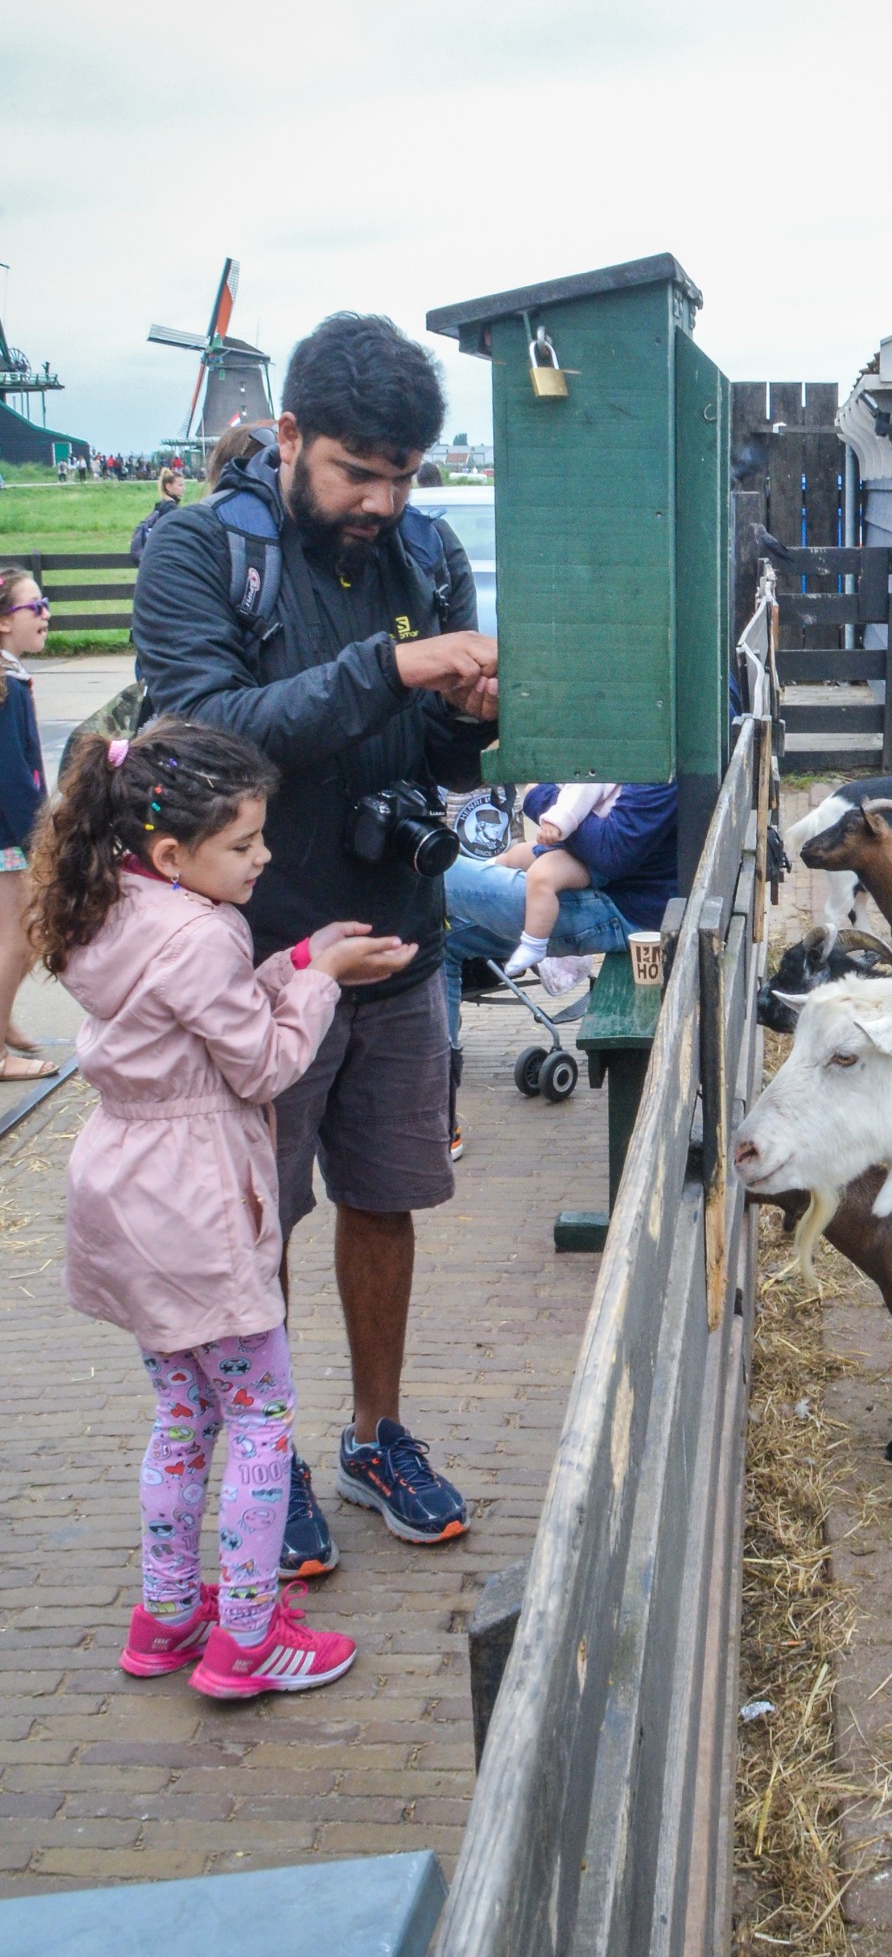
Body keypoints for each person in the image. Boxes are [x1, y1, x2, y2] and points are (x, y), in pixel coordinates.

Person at [132, 312, 497, 1575]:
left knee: (386, 1200)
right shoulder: (193, 552)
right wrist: (398, 667)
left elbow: (442, 756)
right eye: (357, 469)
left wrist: (469, 717)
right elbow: (207, 736)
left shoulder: (428, 552)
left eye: (404, 474)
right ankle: (264, 1451)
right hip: (257, 969)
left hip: (398, 948)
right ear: (288, 434)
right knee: (256, 1222)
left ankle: (374, 1429)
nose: (383, 501)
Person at [28, 719, 415, 1696]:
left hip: (126, 1193)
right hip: (195, 1198)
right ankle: (247, 1630)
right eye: (244, 842)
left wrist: (292, 962)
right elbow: (263, 1062)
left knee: (182, 1409)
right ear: (172, 852)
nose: (264, 855)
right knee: (260, 1416)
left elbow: (201, 1016)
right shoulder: (203, 931)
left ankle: (165, 1614)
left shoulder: (108, 907)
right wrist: (320, 982)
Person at [443, 778, 679, 1053]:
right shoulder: (630, 754)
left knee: (436, 874)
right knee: (437, 933)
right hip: (607, 885)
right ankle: (440, 1063)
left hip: (624, 911)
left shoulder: (657, 766)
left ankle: (534, 944)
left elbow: (611, 852)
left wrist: (538, 796)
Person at [0, 569, 55, 1079]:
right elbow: (15, 776)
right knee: (19, 937)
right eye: (33, 607)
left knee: (18, 934)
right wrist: (39, 840)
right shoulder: (7, 686)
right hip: (8, 835)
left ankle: (4, 1023)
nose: (45, 615)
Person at [496, 781, 620, 977]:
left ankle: (534, 944)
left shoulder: (600, 762)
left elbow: (582, 789)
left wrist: (555, 821)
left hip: (589, 855)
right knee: (515, 855)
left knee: (542, 877)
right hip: (573, 839)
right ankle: (485, 870)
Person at [130, 467, 186, 562]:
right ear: (168, 487)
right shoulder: (171, 508)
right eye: (180, 485)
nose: (184, 488)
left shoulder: (161, 505)